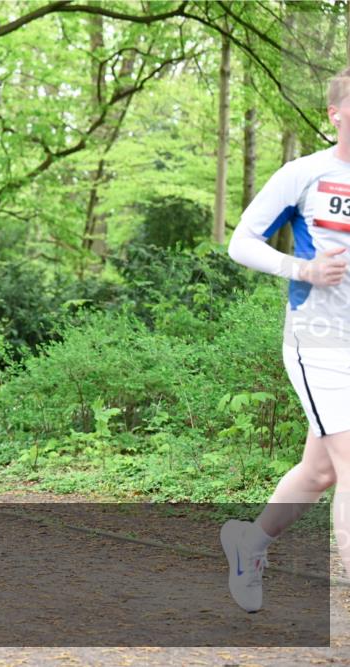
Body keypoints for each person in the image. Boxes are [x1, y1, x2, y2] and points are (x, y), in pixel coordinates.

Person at [221, 66, 350, 613]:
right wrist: (305, 270)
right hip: (318, 340)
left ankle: (248, 546)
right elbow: (241, 242)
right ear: (336, 113)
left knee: (320, 470)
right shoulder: (305, 174)